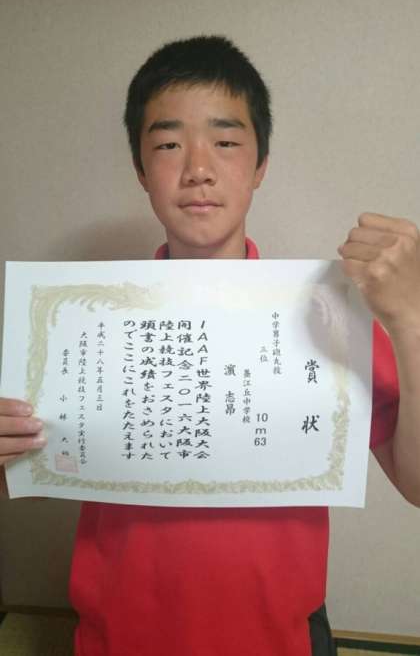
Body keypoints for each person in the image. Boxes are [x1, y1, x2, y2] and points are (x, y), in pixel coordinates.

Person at [1, 35, 420, 656]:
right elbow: (30, 457)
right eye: (168, 144)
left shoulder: (327, 316)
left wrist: (411, 321)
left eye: (225, 142)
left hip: (277, 642)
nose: (198, 168)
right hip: (117, 642)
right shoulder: (74, 324)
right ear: (141, 170)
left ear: (260, 165)